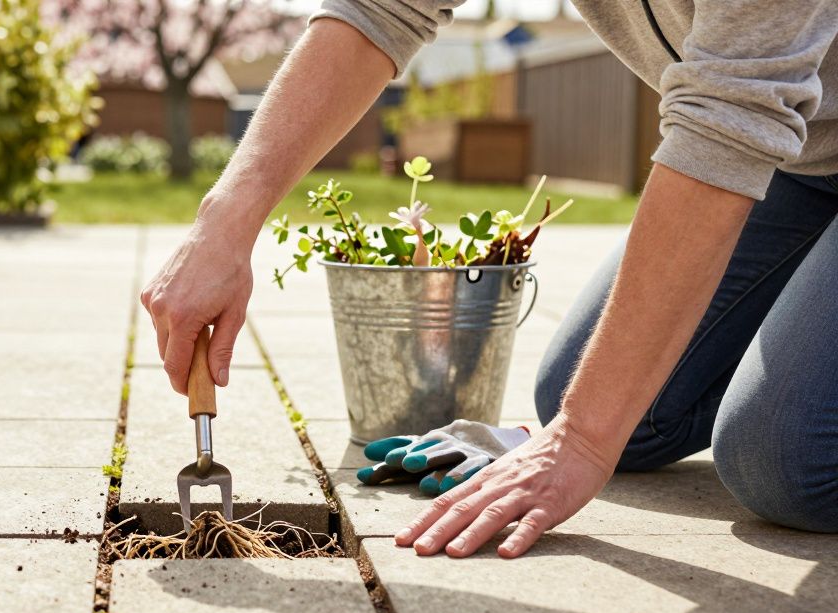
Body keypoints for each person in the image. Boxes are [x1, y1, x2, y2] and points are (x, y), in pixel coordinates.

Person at [138, 0, 838, 558]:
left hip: (767, 130)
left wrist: (582, 439)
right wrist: (223, 224)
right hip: (803, 158)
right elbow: (382, 9)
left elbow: (728, 120)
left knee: (785, 459)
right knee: (616, 409)